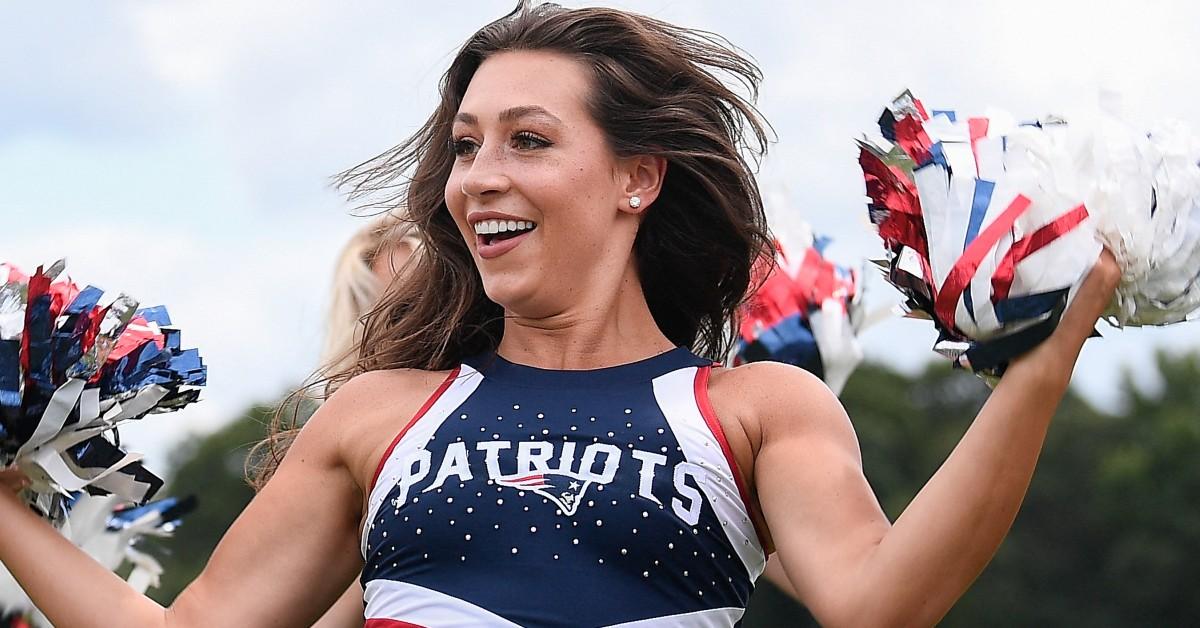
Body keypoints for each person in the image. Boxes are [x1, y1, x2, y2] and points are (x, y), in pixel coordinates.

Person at [0, 3, 1120, 627]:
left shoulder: (754, 409)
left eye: (530, 141)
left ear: (637, 178)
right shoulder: (380, 415)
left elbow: (880, 603)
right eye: (469, 144)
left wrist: (1039, 364)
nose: (479, 174)